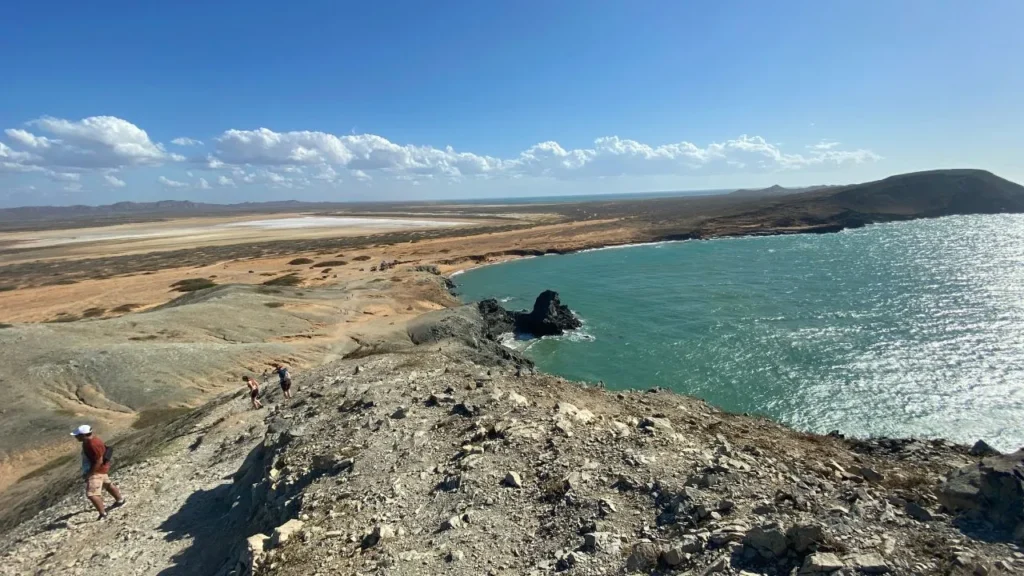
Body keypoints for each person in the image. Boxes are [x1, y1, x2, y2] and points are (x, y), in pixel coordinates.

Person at [71, 425, 125, 520]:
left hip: (96, 471)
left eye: (77, 435)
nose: (76, 437)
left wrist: (90, 474)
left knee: (91, 494)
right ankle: (120, 500)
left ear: (84, 435)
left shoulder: (93, 444)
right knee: (107, 485)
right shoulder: (90, 441)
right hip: (101, 469)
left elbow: (98, 461)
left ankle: (103, 514)